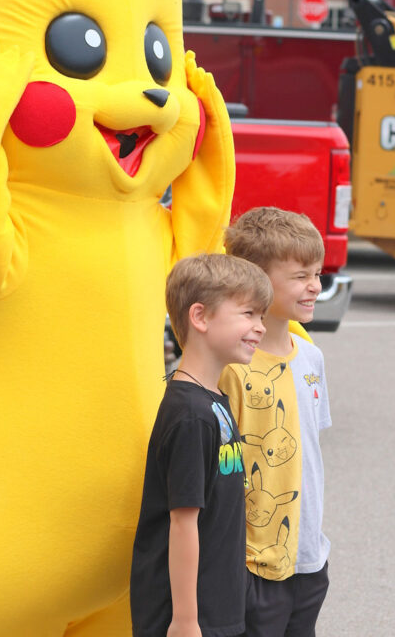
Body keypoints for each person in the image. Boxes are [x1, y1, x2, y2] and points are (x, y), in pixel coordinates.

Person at [131, 253, 273, 637]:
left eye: (262, 316)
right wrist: (185, 620)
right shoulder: (191, 415)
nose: (260, 327)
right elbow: (182, 522)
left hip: (217, 606)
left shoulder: (213, 399)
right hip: (188, 617)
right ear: (201, 317)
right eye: (248, 314)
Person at [220, 207, 331, 637]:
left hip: (309, 557)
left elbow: (309, 450)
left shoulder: (312, 358)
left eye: (317, 274)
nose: (315, 286)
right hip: (251, 563)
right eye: (301, 275)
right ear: (258, 281)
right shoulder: (231, 368)